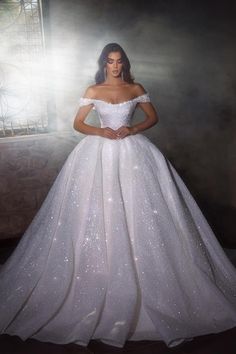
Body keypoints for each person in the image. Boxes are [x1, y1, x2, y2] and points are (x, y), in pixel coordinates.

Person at [0, 43, 236, 349]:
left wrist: (132, 129)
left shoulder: (135, 87)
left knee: (144, 211)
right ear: (103, 64)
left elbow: (153, 117)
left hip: (133, 153)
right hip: (97, 153)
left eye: (119, 61)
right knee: (94, 212)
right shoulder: (94, 89)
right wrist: (102, 132)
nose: (115, 66)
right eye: (110, 61)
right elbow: (78, 123)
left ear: (124, 62)